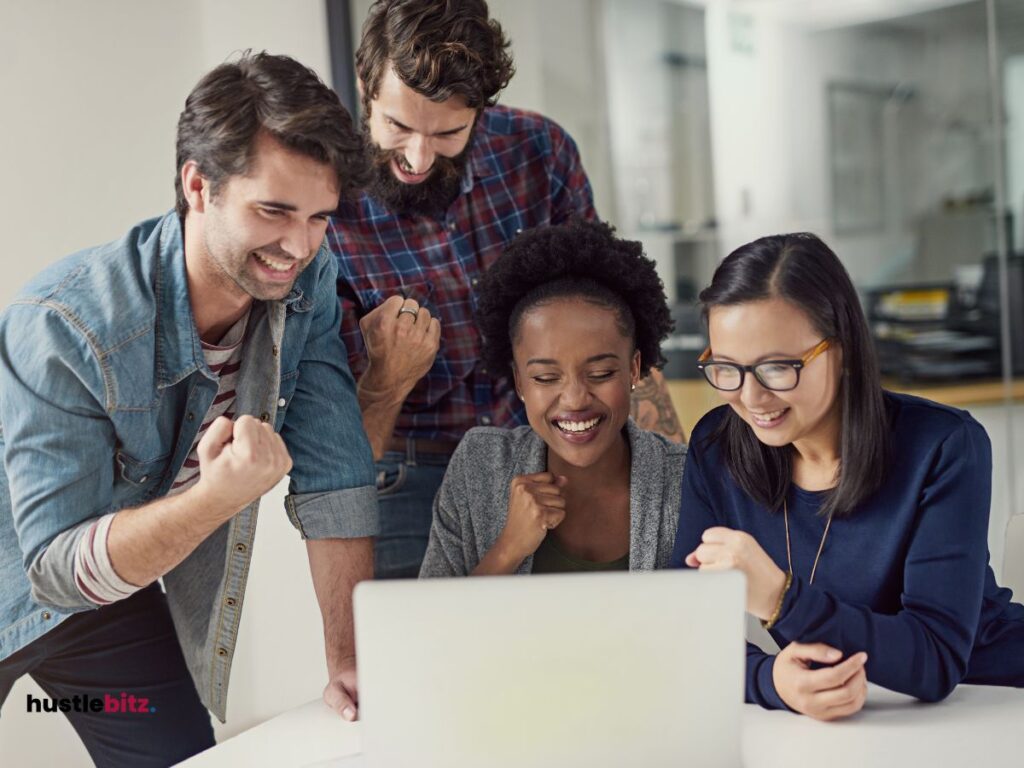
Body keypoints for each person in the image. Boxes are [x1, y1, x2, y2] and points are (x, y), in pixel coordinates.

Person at [0, 52, 378, 765]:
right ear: (198, 185)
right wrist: (216, 499)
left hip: (106, 608)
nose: (298, 245)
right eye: (273, 211)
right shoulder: (64, 324)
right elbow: (52, 565)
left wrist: (349, 659)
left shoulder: (307, 279)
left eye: (319, 217)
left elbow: (336, 469)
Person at [328, 0, 684, 579]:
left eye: (447, 132)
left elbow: (610, 311)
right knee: (420, 659)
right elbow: (340, 441)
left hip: (547, 461)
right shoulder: (327, 204)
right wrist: (386, 377)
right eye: (398, 126)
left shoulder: (538, 152)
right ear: (366, 86)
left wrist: (669, 473)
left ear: (481, 110)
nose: (418, 157)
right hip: (405, 471)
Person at [670, 232, 1024, 721]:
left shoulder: (943, 447)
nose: (751, 398)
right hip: (852, 727)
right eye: (727, 368)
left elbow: (937, 658)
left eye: (777, 367)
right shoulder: (717, 447)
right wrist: (770, 681)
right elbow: (684, 629)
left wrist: (779, 598)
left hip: (990, 701)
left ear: (841, 349)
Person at [419, 219, 683, 577]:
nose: (574, 399)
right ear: (519, 381)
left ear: (634, 368)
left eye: (600, 374)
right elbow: (435, 629)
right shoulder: (479, 467)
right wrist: (508, 548)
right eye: (545, 377)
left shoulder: (685, 477)